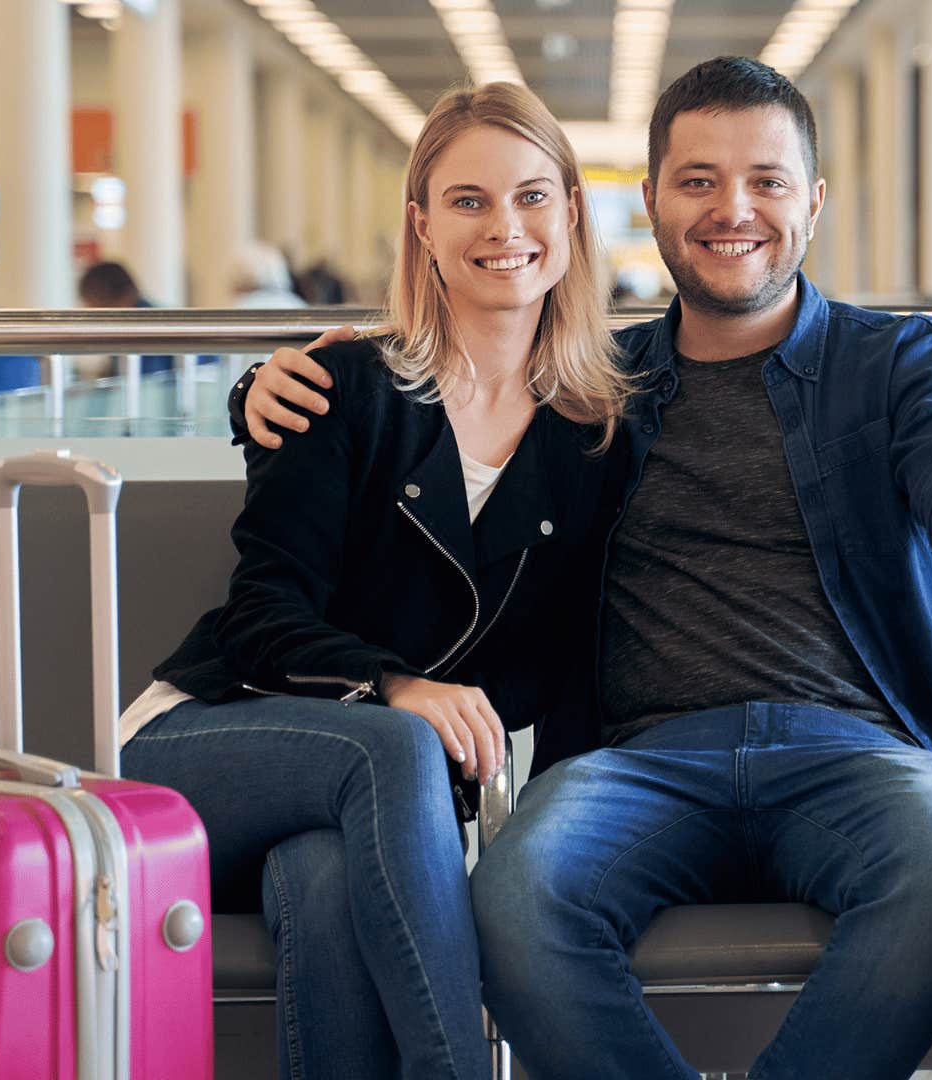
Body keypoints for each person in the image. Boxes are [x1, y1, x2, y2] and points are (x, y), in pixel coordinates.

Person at [240, 57, 932, 1079]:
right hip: (639, 762)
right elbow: (429, 391)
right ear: (652, 202)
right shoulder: (591, 381)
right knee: (515, 897)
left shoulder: (895, 362)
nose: (734, 210)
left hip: (858, 752)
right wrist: (266, 390)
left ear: (814, 199)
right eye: (699, 180)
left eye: (766, 179)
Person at [119, 81, 631, 1080]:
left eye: (532, 196)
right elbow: (262, 617)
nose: (506, 227)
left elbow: (576, 663)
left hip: (368, 814)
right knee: (392, 747)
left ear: (572, 212)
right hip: (203, 748)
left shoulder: (597, 436)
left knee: (321, 882)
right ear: (423, 227)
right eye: (469, 201)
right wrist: (396, 686)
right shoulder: (344, 387)